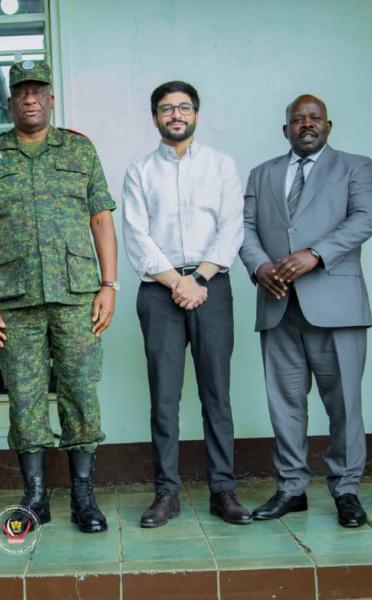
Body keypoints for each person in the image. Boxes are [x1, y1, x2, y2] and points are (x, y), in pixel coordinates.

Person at [0, 60, 118, 534]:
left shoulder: (80, 149)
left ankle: (83, 496)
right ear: (9, 102)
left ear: (51, 99)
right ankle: (34, 497)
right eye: (21, 92)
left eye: (38, 91)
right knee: (25, 396)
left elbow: (101, 220)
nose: (29, 99)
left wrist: (109, 286)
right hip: (15, 299)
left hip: (76, 296)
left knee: (80, 392)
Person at [239, 94, 372, 527]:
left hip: (337, 306)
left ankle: (346, 490)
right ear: (286, 130)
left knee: (344, 404)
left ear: (329, 125)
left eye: (314, 118)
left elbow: (365, 218)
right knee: (284, 403)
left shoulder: (355, 166)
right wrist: (260, 265)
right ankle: (291, 488)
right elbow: (243, 227)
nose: (306, 124)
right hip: (279, 305)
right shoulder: (263, 174)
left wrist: (315, 254)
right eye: (297, 119)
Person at [122, 81, 251, 528]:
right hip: (159, 291)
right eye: (166, 109)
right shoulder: (139, 172)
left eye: (183, 107)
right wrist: (178, 281)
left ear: (196, 112)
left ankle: (223, 490)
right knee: (164, 397)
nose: (175, 115)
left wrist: (198, 279)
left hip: (211, 285)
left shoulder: (221, 165)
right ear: (155, 116)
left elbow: (233, 227)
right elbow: (136, 238)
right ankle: (166, 493)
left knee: (217, 393)